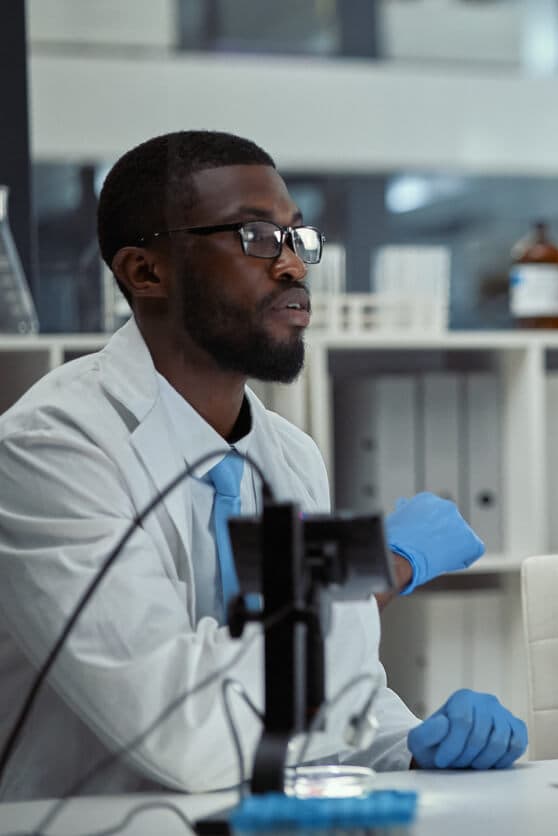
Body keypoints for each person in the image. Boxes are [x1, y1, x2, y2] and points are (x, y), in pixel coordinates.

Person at [0, 131, 526, 801]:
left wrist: (409, 746)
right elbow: (182, 731)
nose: (291, 268)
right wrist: (374, 571)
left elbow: (318, 695)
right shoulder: (53, 450)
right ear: (145, 271)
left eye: (297, 240)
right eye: (255, 238)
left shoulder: (287, 456)